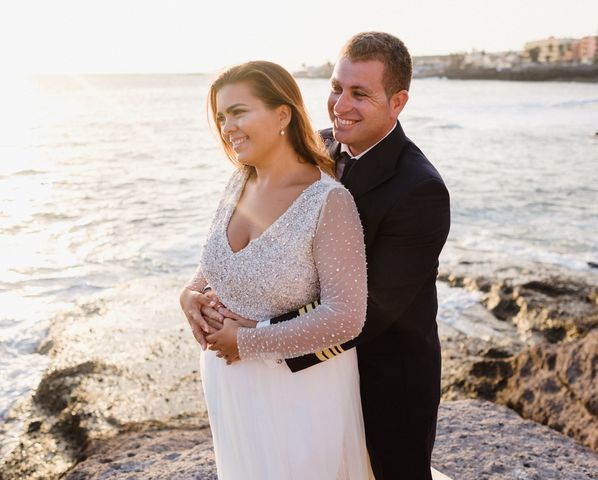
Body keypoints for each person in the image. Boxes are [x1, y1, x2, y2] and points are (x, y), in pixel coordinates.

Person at [187, 32, 451, 479]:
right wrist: (197, 291)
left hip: (385, 373)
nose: (340, 105)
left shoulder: (419, 189)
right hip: (283, 374)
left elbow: (372, 311)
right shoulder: (311, 149)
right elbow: (263, 245)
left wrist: (255, 337)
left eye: (360, 94)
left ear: (398, 101)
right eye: (336, 88)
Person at [180, 60, 372, 479]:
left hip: (298, 393)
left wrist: (247, 342)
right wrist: (189, 295)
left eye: (238, 112)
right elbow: (213, 266)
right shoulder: (238, 182)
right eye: (220, 117)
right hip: (230, 386)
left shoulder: (328, 202)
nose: (227, 127)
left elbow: (347, 316)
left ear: (282, 114)